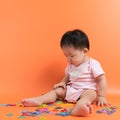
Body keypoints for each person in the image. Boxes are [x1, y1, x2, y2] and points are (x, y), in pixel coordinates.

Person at [21, 29, 110, 116]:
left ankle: (80, 106)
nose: (68, 59)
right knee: (56, 91)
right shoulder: (71, 65)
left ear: (84, 51)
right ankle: (40, 99)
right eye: (66, 56)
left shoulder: (92, 63)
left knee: (91, 94)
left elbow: (101, 79)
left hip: (86, 90)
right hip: (71, 89)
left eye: (72, 56)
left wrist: (102, 96)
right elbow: (68, 75)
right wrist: (62, 82)